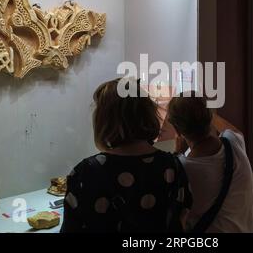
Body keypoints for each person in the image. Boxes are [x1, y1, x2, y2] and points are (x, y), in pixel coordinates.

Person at [60, 78, 192, 233]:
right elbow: (181, 221)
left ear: (104, 119)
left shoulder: (85, 173)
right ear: (147, 114)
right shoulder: (172, 166)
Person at [167, 92, 253, 233]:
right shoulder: (233, 142)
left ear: (177, 129)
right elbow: (232, 130)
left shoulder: (182, 169)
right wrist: (205, 111)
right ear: (209, 116)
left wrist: (178, 152)